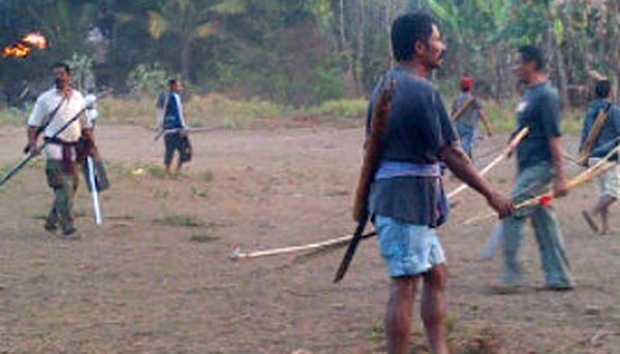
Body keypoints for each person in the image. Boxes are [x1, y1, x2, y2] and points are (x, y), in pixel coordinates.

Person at [365, 13, 514, 354]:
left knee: (436, 275)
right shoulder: (421, 91)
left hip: (411, 203)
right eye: (437, 40)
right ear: (420, 47)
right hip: (404, 203)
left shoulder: (385, 85)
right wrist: (490, 193)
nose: (442, 47)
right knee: (404, 284)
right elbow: (451, 153)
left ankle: (439, 349)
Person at [498, 45, 573, 291]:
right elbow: (526, 129)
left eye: (519, 63)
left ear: (531, 64)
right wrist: (513, 141)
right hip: (528, 165)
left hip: (540, 167)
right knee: (544, 220)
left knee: (511, 210)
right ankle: (559, 276)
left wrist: (560, 177)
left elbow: (554, 137)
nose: (515, 68)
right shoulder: (529, 95)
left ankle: (512, 276)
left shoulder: (546, 95)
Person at [26, 62, 93, 239]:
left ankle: (52, 220)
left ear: (69, 76)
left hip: (74, 149)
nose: (58, 77)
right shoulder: (45, 99)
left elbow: (85, 124)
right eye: (55, 74)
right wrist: (33, 145)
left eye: (62, 74)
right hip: (54, 149)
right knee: (63, 188)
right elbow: (33, 125)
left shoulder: (78, 98)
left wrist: (91, 145)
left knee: (71, 188)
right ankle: (68, 227)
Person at [580, 79, 620, 235]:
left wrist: (583, 157)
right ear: (610, 92)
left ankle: (605, 227)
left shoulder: (590, 110)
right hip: (608, 157)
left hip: (593, 156)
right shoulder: (614, 110)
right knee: (614, 192)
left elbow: (585, 136)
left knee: (604, 192)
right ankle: (592, 212)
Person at [451, 76, 492, 159]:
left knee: (466, 143)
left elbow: (453, 112)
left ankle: (470, 163)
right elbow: (481, 113)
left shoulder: (457, 99)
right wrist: (488, 127)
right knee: (467, 145)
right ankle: (461, 159)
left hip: (459, 125)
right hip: (471, 126)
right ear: (470, 87)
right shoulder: (473, 99)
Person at [157, 79, 192, 176]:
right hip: (176, 129)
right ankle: (177, 170)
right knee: (184, 150)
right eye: (179, 86)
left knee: (169, 151)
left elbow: (160, 112)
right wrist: (183, 127)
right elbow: (179, 113)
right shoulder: (175, 97)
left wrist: (161, 126)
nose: (181, 88)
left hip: (167, 130)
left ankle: (168, 171)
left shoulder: (164, 97)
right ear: (174, 87)